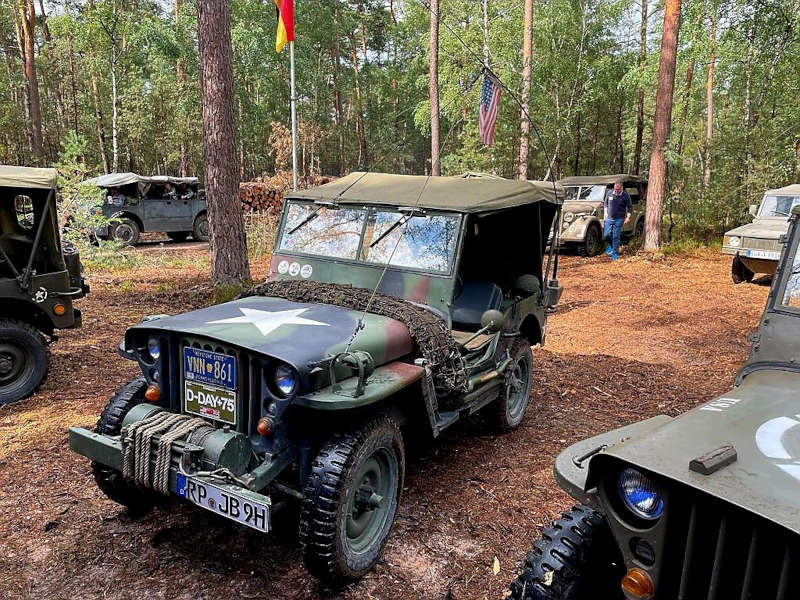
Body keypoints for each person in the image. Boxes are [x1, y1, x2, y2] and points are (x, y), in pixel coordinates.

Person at [603, 181, 632, 260]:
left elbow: (629, 207)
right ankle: (611, 245)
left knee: (616, 236)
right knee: (606, 234)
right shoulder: (609, 193)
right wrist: (605, 213)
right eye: (615, 189)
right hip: (609, 218)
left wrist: (628, 217)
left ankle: (615, 253)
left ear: (621, 188)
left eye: (618, 190)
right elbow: (605, 204)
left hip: (619, 218)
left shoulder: (625, 195)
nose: (616, 191)